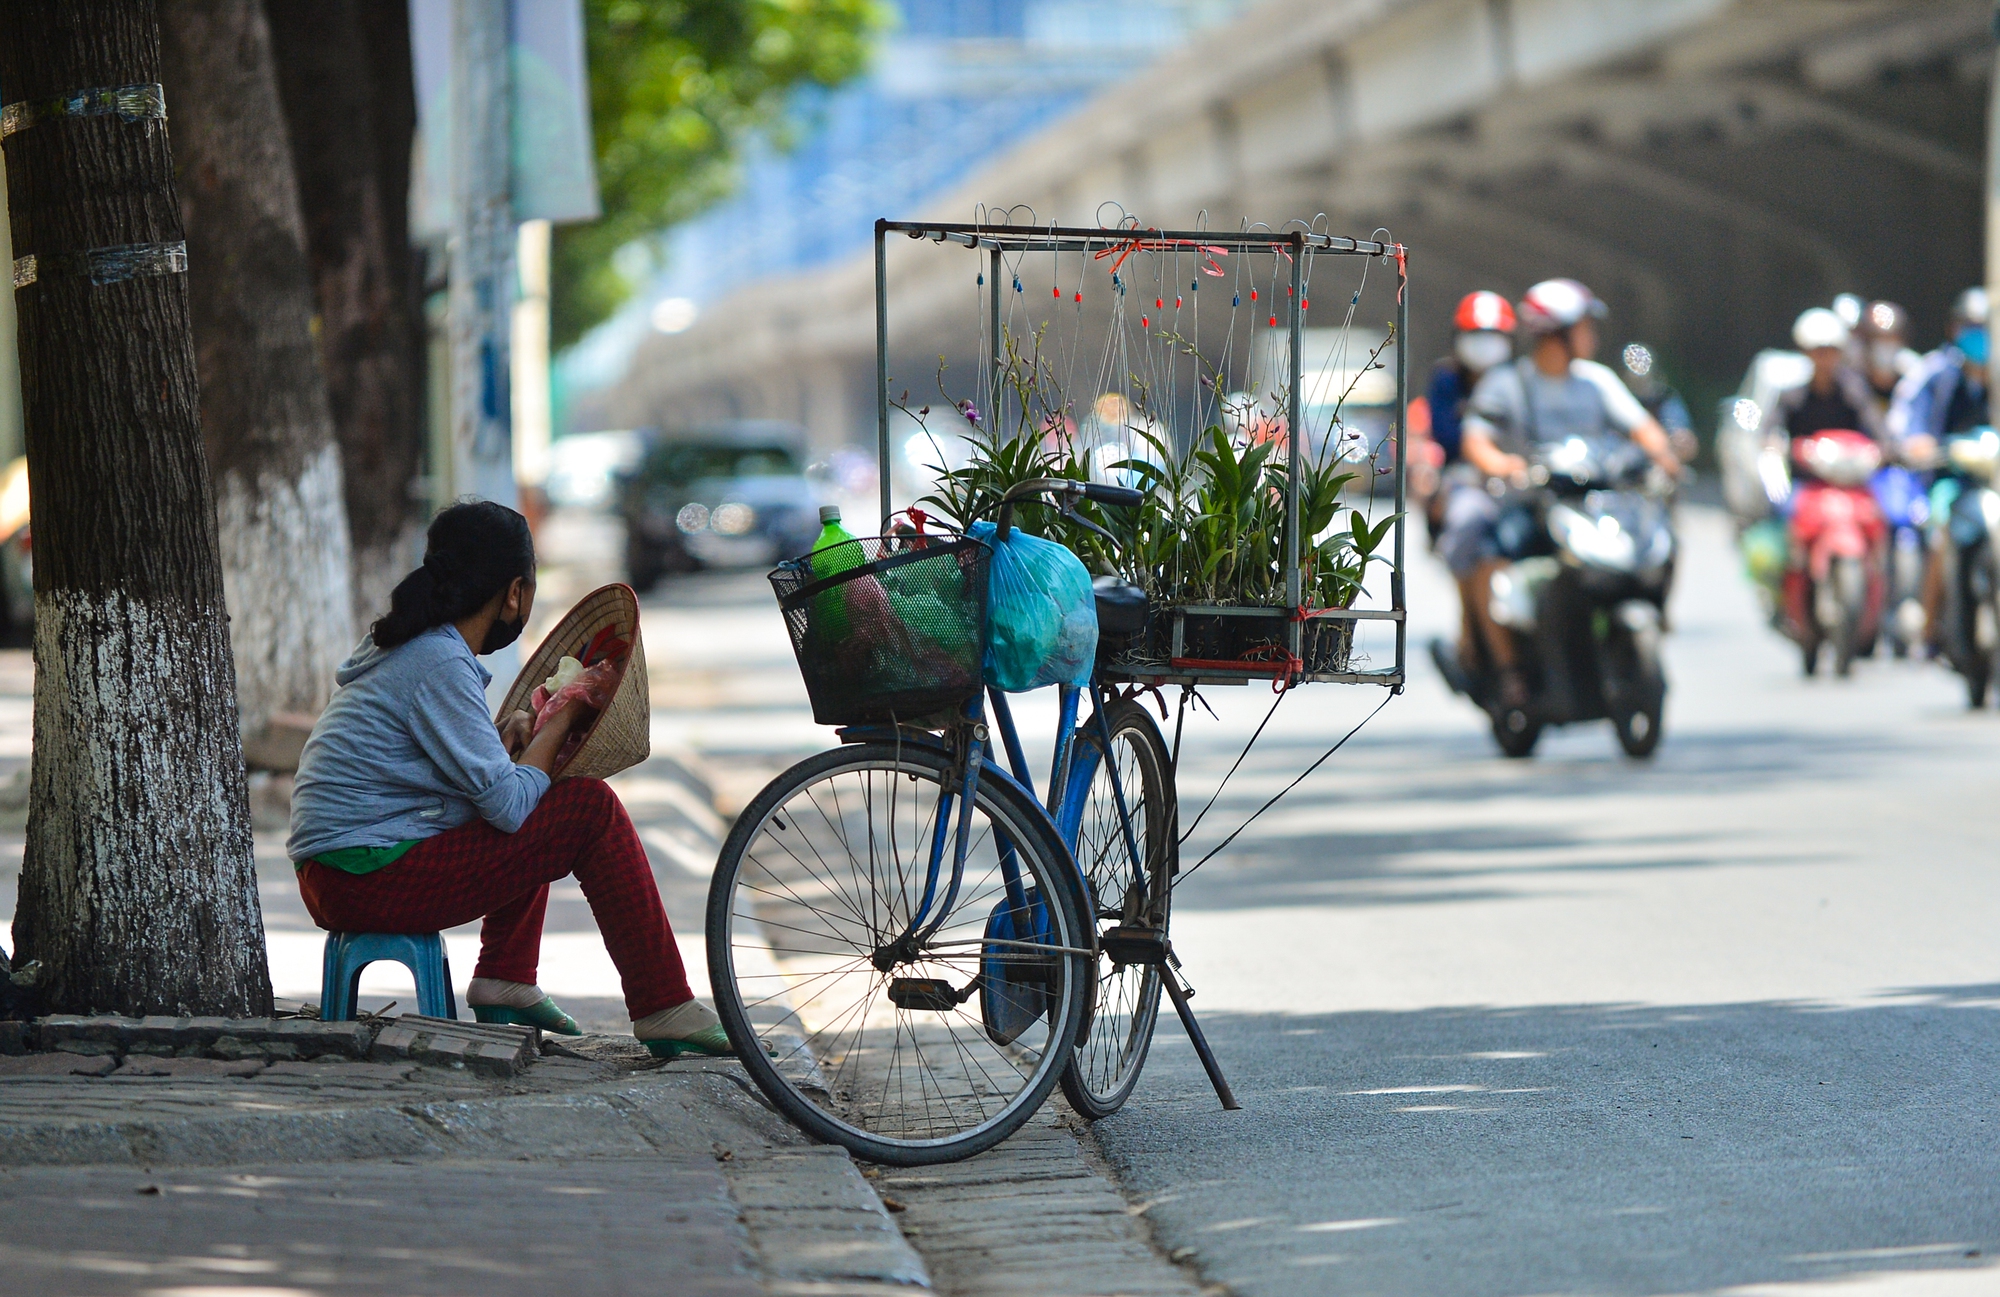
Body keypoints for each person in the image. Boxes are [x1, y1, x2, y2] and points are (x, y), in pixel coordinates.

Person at [288, 501, 732, 1058]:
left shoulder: (416, 647)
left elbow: (467, 781)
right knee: (586, 806)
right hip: (360, 876)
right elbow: (513, 806)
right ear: (515, 593)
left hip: (343, 870)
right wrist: (566, 713)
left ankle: (506, 978)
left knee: (533, 788)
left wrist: (509, 739)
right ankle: (662, 1002)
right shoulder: (438, 662)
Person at [1441, 278, 1679, 705]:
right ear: (1557, 333)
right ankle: (1510, 667)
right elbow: (1476, 440)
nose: (1593, 335)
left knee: (1658, 537)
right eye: (1585, 325)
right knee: (1491, 560)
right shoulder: (1507, 383)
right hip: (1534, 506)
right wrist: (1503, 465)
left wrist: (1665, 456)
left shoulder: (1597, 381)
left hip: (1594, 504)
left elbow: (1642, 428)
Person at [1889, 288, 1990, 651]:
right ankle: (1931, 623)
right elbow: (1910, 422)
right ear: (1954, 329)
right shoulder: (1935, 374)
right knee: (1940, 535)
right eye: (1971, 327)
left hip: (1992, 483)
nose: (1980, 335)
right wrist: (1918, 443)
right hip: (1950, 482)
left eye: (1986, 327)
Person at [1408, 291, 1516, 539]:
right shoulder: (1446, 379)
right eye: (1476, 336)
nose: (1485, 344)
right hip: (1461, 473)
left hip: (1513, 474)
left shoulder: (1516, 380)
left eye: (1493, 336)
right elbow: (1445, 434)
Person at [1757, 307, 1886, 449]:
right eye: (1818, 352)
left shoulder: (1854, 392)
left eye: (1831, 351)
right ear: (1806, 352)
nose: (1824, 359)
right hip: (1801, 470)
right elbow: (1770, 432)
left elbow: (1878, 433)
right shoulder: (1792, 397)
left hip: (1849, 468)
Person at [1618, 341, 1699, 464]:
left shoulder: (1666, 398)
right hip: (1622, 462)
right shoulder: (1617, 399)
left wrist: (1681, 442)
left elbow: (1683, 436)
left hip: (1660, 463)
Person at [1856, 299, 1919, 414]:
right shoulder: (1852, 377)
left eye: (1891, 338)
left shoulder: (1914, 373)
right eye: (1877, 338)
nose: (1885, 344)